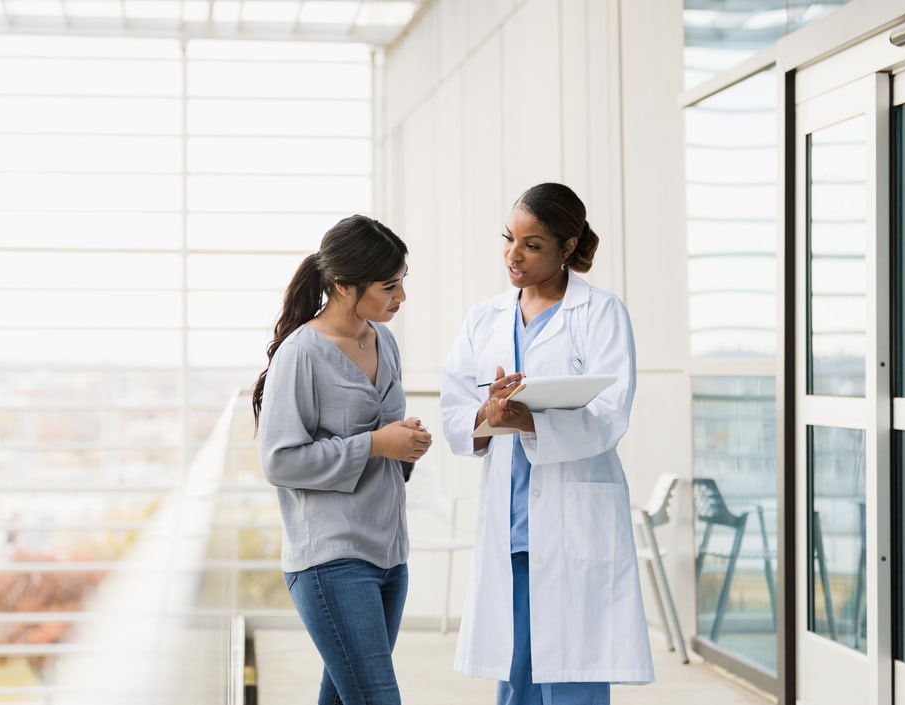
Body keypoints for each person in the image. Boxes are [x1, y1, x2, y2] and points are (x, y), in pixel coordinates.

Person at [440, 183, 654, 704]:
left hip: (573, 518)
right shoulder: (483, 318)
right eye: (509, 239)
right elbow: (454, 413)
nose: (514, 255)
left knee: (573, 676)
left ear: (567, 247)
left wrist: (530, 423)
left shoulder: (601, 314)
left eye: (532, 245)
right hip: (511, 526)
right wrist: (487, 415)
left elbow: (610, 414)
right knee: (516, 678)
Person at [253, 214, 433, 705]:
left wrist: (406, 445)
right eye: (389, 286)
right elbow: (280, 461)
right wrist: (376, 444)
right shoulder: (302, 354)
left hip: (390, 554)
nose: (400, 298)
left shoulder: (384, 341)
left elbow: (387, 442)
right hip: (330, 559)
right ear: (342, 285)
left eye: (402, 283)